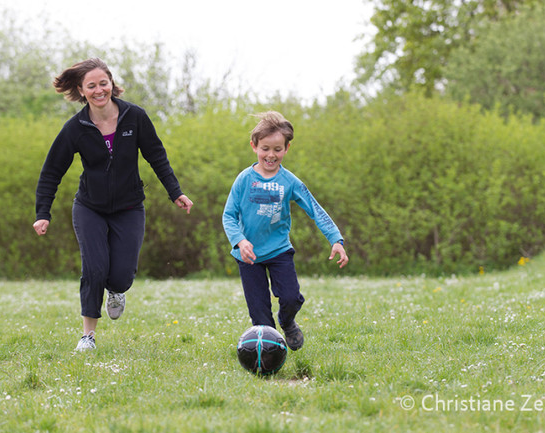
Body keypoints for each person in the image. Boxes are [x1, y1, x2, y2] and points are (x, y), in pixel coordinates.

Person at [33, 58, 194, 351]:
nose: (98, 90)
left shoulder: (135, 117)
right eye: (91, 86)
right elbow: (51, 171)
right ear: (82, 91)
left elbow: (156, 155)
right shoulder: (76, 128)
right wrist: (43, 213)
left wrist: (175, 192)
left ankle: (117, 291)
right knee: (94, 268)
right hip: (89, 207)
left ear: (111, 83)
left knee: (121, 275)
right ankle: (88, 336)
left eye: (103, 83)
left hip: (129, 206)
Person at [222, 111, 348, 350]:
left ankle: (287, 321)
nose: (271, 155)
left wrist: (335, 239)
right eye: (265, 148)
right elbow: (228, 215)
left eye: (277, 149)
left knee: (290, 298)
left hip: (279, 251)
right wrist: (239, 241)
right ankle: (270, 355)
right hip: (249, 257)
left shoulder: (289, 181)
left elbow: (315, 209)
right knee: (260, 316)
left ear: (286, 149)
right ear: (254, 146)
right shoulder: (244, 180)